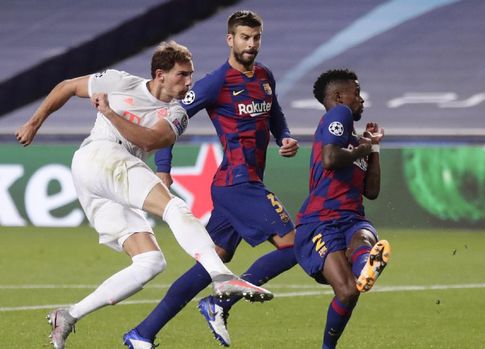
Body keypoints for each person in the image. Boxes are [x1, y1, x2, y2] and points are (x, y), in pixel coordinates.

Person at [15, 41, 272, 349]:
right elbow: (68, 86)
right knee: (175, 207)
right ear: (160, 74)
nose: (189, 82)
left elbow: (151, 141)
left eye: (191, 75)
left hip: (110, 178)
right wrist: (34, 122)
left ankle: (68, 315)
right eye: (182, 75)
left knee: (150, 262)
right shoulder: (118, 82)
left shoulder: (178, 114)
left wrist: (110, 113)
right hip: (97, 157)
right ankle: (220, 276)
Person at [123, 11, 299, 348]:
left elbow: (273, 112)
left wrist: (285, 136)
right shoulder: (215, 82)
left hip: (239, 183)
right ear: (229, 39)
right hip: (238, 183)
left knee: (212, 259)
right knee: (293, 246)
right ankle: (220, 302)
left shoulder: (264, 76)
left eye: (256, 37)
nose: (251, 44)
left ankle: (142, 333)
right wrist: (164, 166)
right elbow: (170, 117)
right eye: (244, 37)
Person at [294, 69, 391, 349]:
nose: (361, 99)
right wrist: (362, 150)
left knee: (363, 243)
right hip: (320, 222)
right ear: (338, 97)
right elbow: (330, 158)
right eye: (356, 92)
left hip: (352, 219)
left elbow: (371, 192)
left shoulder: (353, 139)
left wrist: (373, 148)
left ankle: (366, 268)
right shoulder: (340, 114)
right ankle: (365, 268)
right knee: (347, 292)